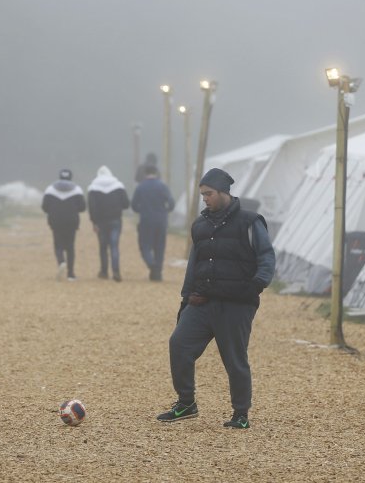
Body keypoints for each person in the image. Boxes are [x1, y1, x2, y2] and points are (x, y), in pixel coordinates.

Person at [156, 167, 275, 429]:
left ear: (224, 192)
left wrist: (255, 286)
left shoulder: (250, 221)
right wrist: (185, 300)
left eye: (209, 194)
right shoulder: (200, 225)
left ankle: (241, 414)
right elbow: (194, 264)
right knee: (179, 345)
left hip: (237, 304)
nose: (205, 199)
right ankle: (186, 403)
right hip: (202, 302)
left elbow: (266, 257)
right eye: (202, 195)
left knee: (235, 359)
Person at [131, 165, 175, 281]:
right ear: (156, 172)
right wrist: (166, 210)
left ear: (145, 173)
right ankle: (158, 273)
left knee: (145, 245)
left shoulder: (140, 187)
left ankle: (152, 265)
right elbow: (171, 202)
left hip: (146, 220)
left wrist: (141, 210)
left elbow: (134, 205)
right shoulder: (162, 186)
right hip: (161, 220)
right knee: (159, 246)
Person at [41, 169, 86, 281]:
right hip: (71, 221)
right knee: (70, 247)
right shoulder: (77, 189)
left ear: (59, 177)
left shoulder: (50, 189)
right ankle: (71, 274)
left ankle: (61, 261)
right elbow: (82, 207)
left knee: (58, 245)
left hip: (56, 221)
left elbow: (44, 207)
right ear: (71, 177)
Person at [87, 165, 130, 282]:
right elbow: (126, 204)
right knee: (114, 246)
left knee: (103, 247)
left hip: (100, 222)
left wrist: (94, 222)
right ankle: (116, 271)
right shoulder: (118, 185)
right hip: (115, 220)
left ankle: (104, 271)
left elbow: (91, 207)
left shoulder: (93, 187)